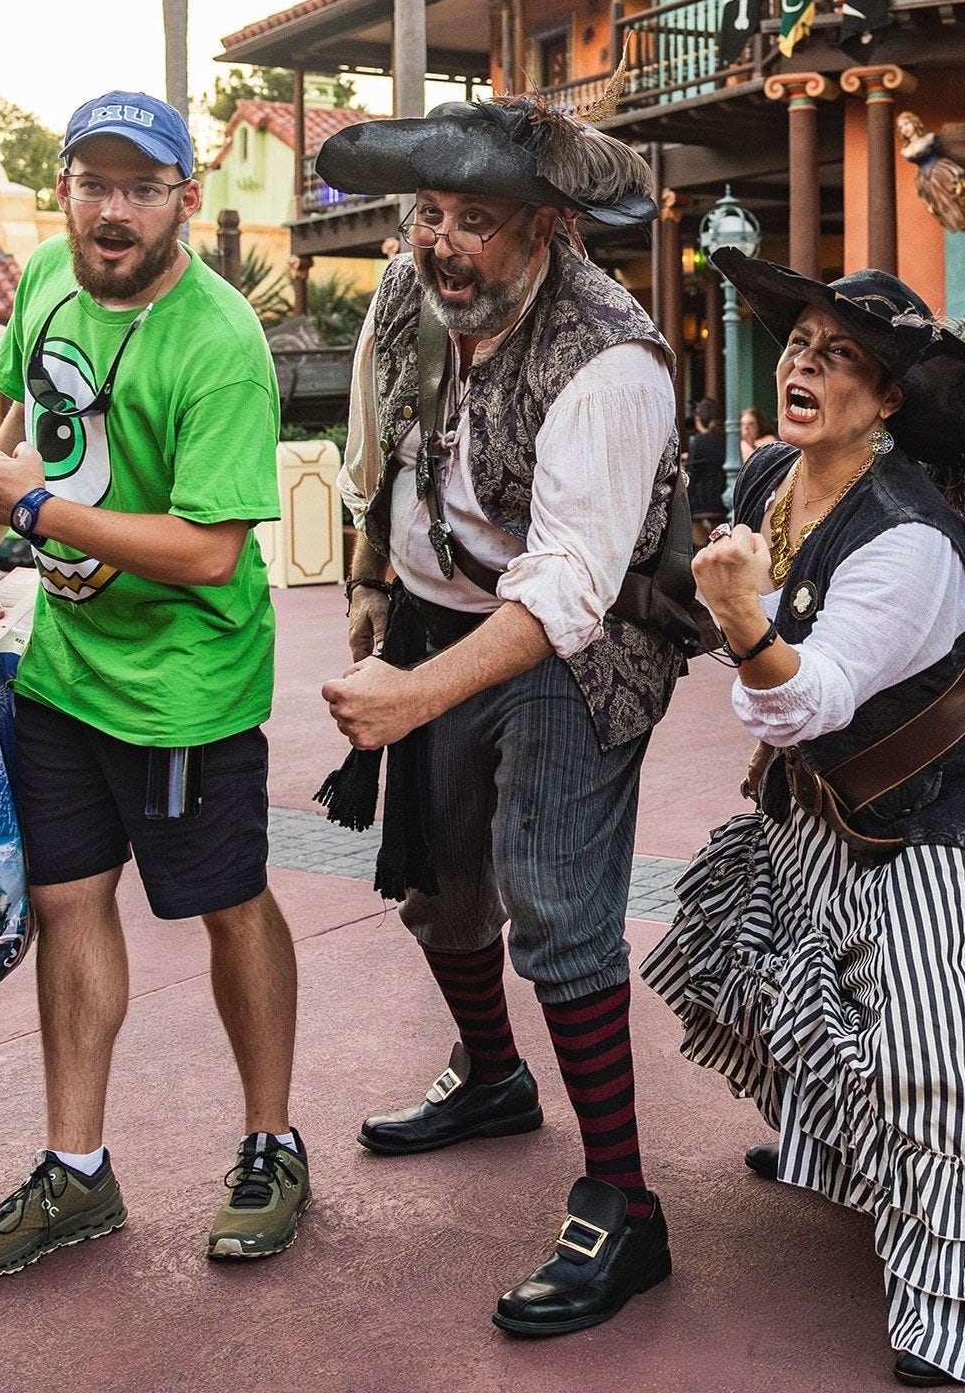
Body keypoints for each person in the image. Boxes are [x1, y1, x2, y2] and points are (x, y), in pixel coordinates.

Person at [643, 252, 965, 1388]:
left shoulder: (910, 537)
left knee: (936, 1051)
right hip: (823, 809)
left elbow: (808, 700)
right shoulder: (769, 476)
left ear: (887, 399)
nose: (806, 363)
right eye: (801, 344)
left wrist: (740, 612)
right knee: (789, 983)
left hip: (947, 807)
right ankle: (860, 1167)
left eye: (840, 356)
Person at [314, 95, 685, 1339]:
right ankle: (489, 1077)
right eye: (428, 214)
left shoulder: (612, 358)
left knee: (555, 903)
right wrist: (374, 586)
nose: (441, 243)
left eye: (475, 220)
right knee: (436, 883)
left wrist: (413, 697)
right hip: (435, 612)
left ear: (546, 227)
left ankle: (626, 1206)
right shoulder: (409, 299)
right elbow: (384, 444)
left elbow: (573, 586)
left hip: (584, 640)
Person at [0, 89, 301, 1279]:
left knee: (225, 904)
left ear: (186, 200)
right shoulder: (43, 276)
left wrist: (32, 511)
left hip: (186, 683)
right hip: (65, 665)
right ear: (65, 193)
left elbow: (208, 550)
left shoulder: (219, 343)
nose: (113, 208)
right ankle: (77, 1172)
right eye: (93, 183)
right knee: (65, 901)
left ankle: (271, 1142)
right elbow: (10, 418)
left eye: (142, 186)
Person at [683, 396, 727, 537]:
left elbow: (692, 468)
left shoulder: (698, 440)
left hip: (700, 500)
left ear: (699, 420)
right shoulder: (725, 438)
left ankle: (700, 548)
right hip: (721, 496)